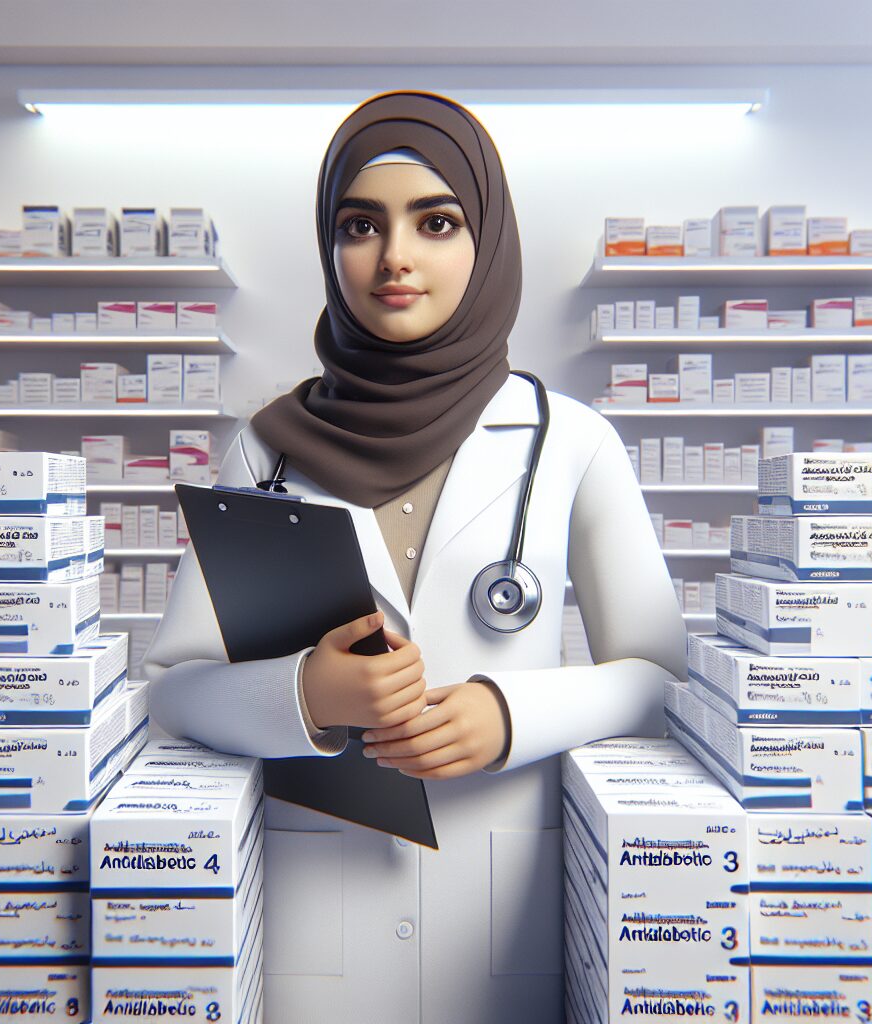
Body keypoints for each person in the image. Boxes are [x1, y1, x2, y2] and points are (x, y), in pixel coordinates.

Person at [144, 89, 686, 1024]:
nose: (394, 257)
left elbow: (660, 678)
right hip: (316, 921)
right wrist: (304, 697)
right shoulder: (264, 448)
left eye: (436, 222)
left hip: (506, 918)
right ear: (330, 246)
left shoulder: (571, 440)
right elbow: (174, 687)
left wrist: (508, 711)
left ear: (487, 241)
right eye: (360, 225)